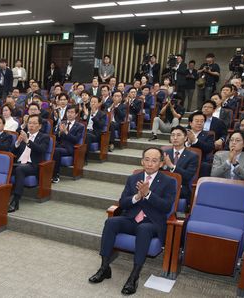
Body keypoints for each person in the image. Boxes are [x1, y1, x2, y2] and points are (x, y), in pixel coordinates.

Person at [89, 147, 176, 295]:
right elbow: (123, 202)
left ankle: (134, 276)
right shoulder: (133, 178)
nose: (149, 164)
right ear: (142, 161)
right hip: (132, 219)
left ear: (161, 164)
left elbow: (167, 206)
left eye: (154, 161)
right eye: (147, 160)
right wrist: (136, 197)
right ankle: (104, 268)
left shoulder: (169, 181)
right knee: (111, 222)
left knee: (144, 229)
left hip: (152, 223)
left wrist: (148, 194)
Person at [10, 115, 50, 212]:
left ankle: (15, 200)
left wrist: (27, 141)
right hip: (19, 163)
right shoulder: (24, 135)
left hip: (33, 165)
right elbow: (13, 153)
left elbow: (41, 150)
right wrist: (18, 143)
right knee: (3, 166)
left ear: (40, 126)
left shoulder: (44, 137)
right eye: (30, 123)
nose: (31, 125)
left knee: (20, 169)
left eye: (34, 123)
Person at [161, 126, 199, 201]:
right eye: (172, 135)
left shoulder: (193, 156)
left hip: (181, 187)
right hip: (163, 184)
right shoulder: (164, 153)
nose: (175, 138)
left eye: (178, 135)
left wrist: (172, 166)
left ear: (185, 138)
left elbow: (188, 176)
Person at [52, 105, 84, 183]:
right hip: (59, 145)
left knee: (56, 151)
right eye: (68, 112)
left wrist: (66, 132)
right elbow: (56, 136)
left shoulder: (80, 126)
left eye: (72, 112)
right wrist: (59, 132)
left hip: (70, 148)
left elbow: (76, 140)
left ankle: (55, 175)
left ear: (76, 114)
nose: (69, 114)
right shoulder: (63, 122)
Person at [83, 96, 107, 162]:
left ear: (99, 104)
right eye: (91, 102)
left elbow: (100, 125)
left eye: (94, 102)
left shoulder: (102, 114)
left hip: (95, 134)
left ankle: (84, 158)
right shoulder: (87, 112)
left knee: (87, 136)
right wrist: (85, 116)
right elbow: (82, 123)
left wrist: (93, 115)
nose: (92, 104)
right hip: (86, 131)